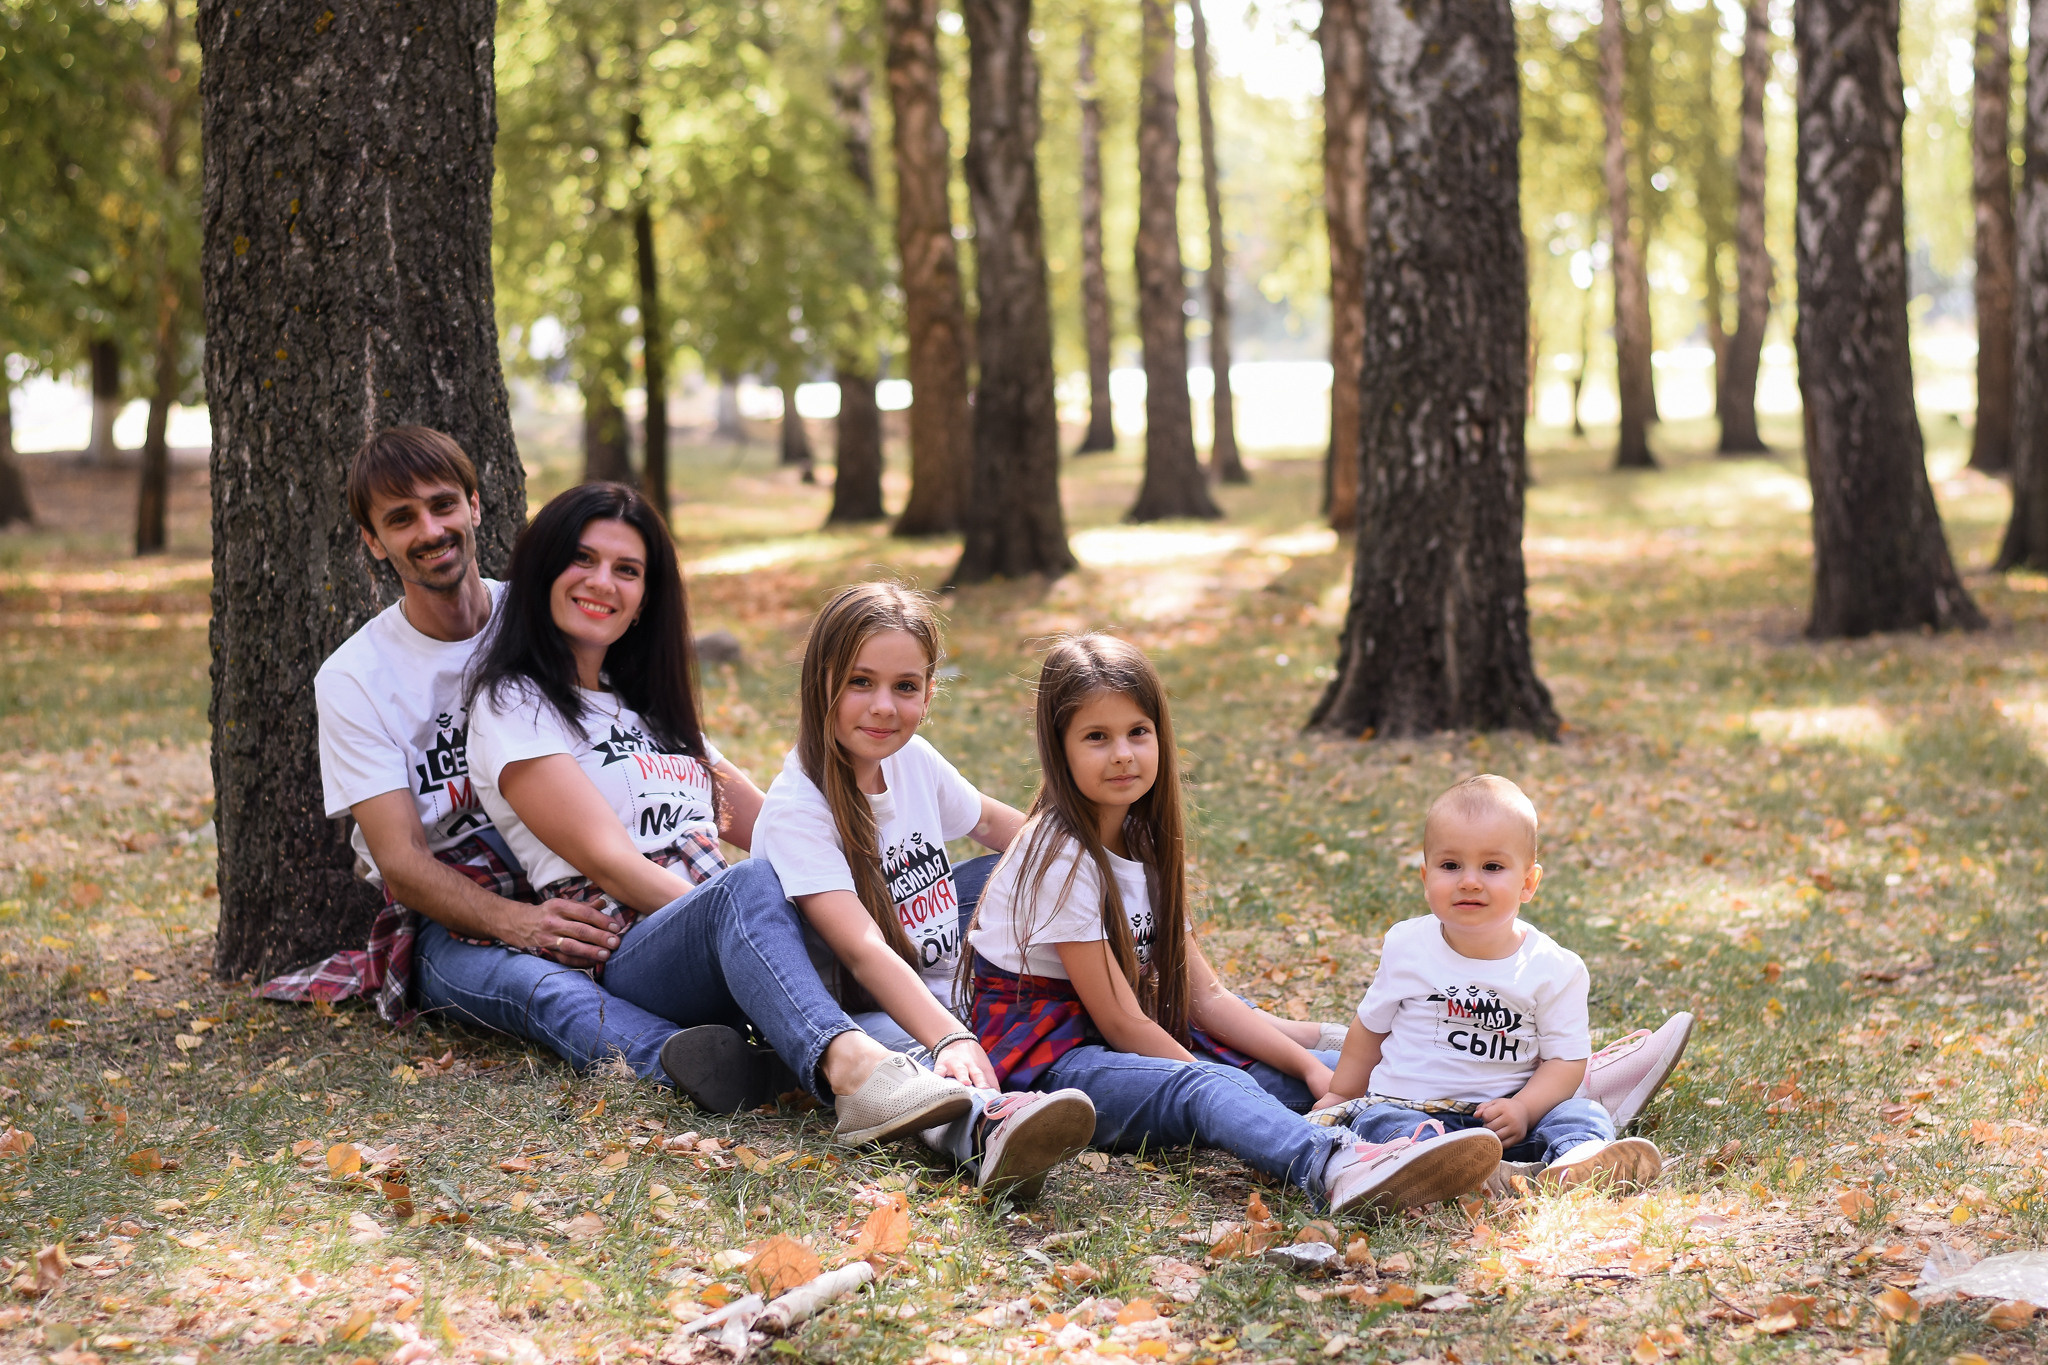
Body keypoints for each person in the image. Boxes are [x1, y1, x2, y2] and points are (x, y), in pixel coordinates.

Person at [462, 490, 1069, 1187]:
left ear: (645, 595)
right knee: (750, 888)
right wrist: (753, 919)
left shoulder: (651, 707)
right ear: (541, 570)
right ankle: (849, 1063)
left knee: (989, 878)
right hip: (645, 946)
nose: (604, 582)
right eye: (582, 559)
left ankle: (991, 1107)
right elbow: (613, 863)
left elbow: (766, 817)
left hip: (751, 931)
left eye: (627, 570)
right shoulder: (513, 704)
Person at [967, 634, 1501, 1214]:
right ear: (1059, 747)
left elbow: (1207, 997)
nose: (1122, 753)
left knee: (1325, 1076)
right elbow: (1120, 1024)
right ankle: (1335, 1165)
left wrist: (1309, 1070)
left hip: (1139, 1035)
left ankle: (1472, 1129)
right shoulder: (1062, 856)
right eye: (1097, 737)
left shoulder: (1143, 838)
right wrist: (1224, 1078)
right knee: (1214, 1088)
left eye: (1137, 732)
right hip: (1052, 1067)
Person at [261, 429, 690, 1079]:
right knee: (543, 990)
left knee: (644, 954)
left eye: (442, 505)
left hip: (588, 864)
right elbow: (401, 863)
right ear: (372, 541)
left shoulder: (542, 612)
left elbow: (641, 731)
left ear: (475, 506)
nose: (429, 529)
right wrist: (520, 923)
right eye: (400, 518)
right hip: (459, 910)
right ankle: (690, 1061)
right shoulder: (354, 678)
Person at [733, 582, 1100, 1198]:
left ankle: (1181, 1021)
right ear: (819, 683)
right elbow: (862, 949)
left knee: (1026, 875)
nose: (883, 706)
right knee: (913, 1063)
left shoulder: (915, 761)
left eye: (905, 686)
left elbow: (989, 824)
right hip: (862, 1004)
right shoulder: (801, 807)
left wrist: (1092, 868)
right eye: (859, 682)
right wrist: (949, 1036)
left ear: (929, 693)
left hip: (941, 976)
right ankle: (987, 1130)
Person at [1312, 775, 1664, 1191]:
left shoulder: (1554, 968)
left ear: (1528, 883)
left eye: (1492, 867)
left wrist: (1525, 1109)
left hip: (1506, 1117)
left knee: (1583, 1114)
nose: (1469, 881)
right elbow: (1371, 1028)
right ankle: (1428, 1161)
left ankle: (1576, 1161)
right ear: (1426, 878)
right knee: (1378, 1119)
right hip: (1409, 1105)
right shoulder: (1408, 946)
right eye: (1450, 865)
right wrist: (1340, 1094)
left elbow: (1565, 1061)